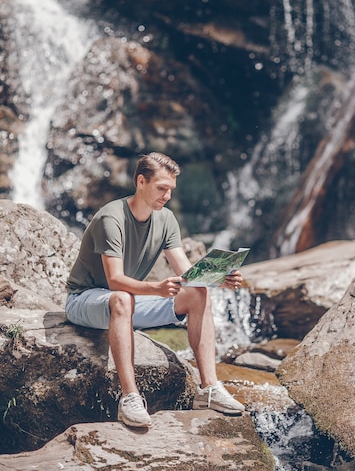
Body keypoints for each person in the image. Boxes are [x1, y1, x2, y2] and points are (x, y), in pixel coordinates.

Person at [65, 151, 245, 428]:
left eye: (170, 190)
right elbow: (114, 280)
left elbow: (186, 274)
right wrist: (156, 288)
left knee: (197, 294)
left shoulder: (166, 219)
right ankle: (130, 399)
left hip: (128, 302)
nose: (167, 196)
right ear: (141, 181)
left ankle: (209, 389)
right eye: (161, 188)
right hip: (85, 300)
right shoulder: (111, 218)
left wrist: (219, 278)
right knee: (122, 298)